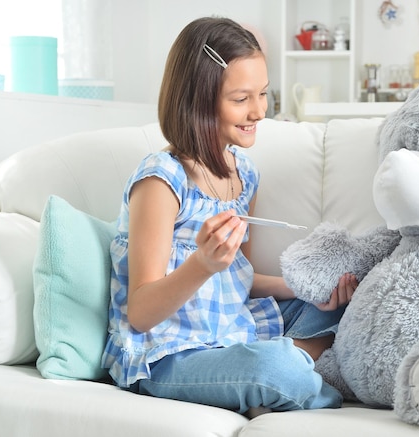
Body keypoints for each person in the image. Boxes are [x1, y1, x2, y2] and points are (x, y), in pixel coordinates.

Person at [100, 16, 358, 417]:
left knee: (350, 307)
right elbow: (142, 311)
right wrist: (202, 264)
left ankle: (275, 378)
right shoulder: (162, 180)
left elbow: (240, 278)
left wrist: (309, 289)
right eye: (241, 99)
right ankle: (287, 377)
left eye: (263, 94)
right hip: (170, 354)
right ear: (199, 100)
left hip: (234, 330)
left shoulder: (245, 174)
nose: (258, 111)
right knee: (274, 367)